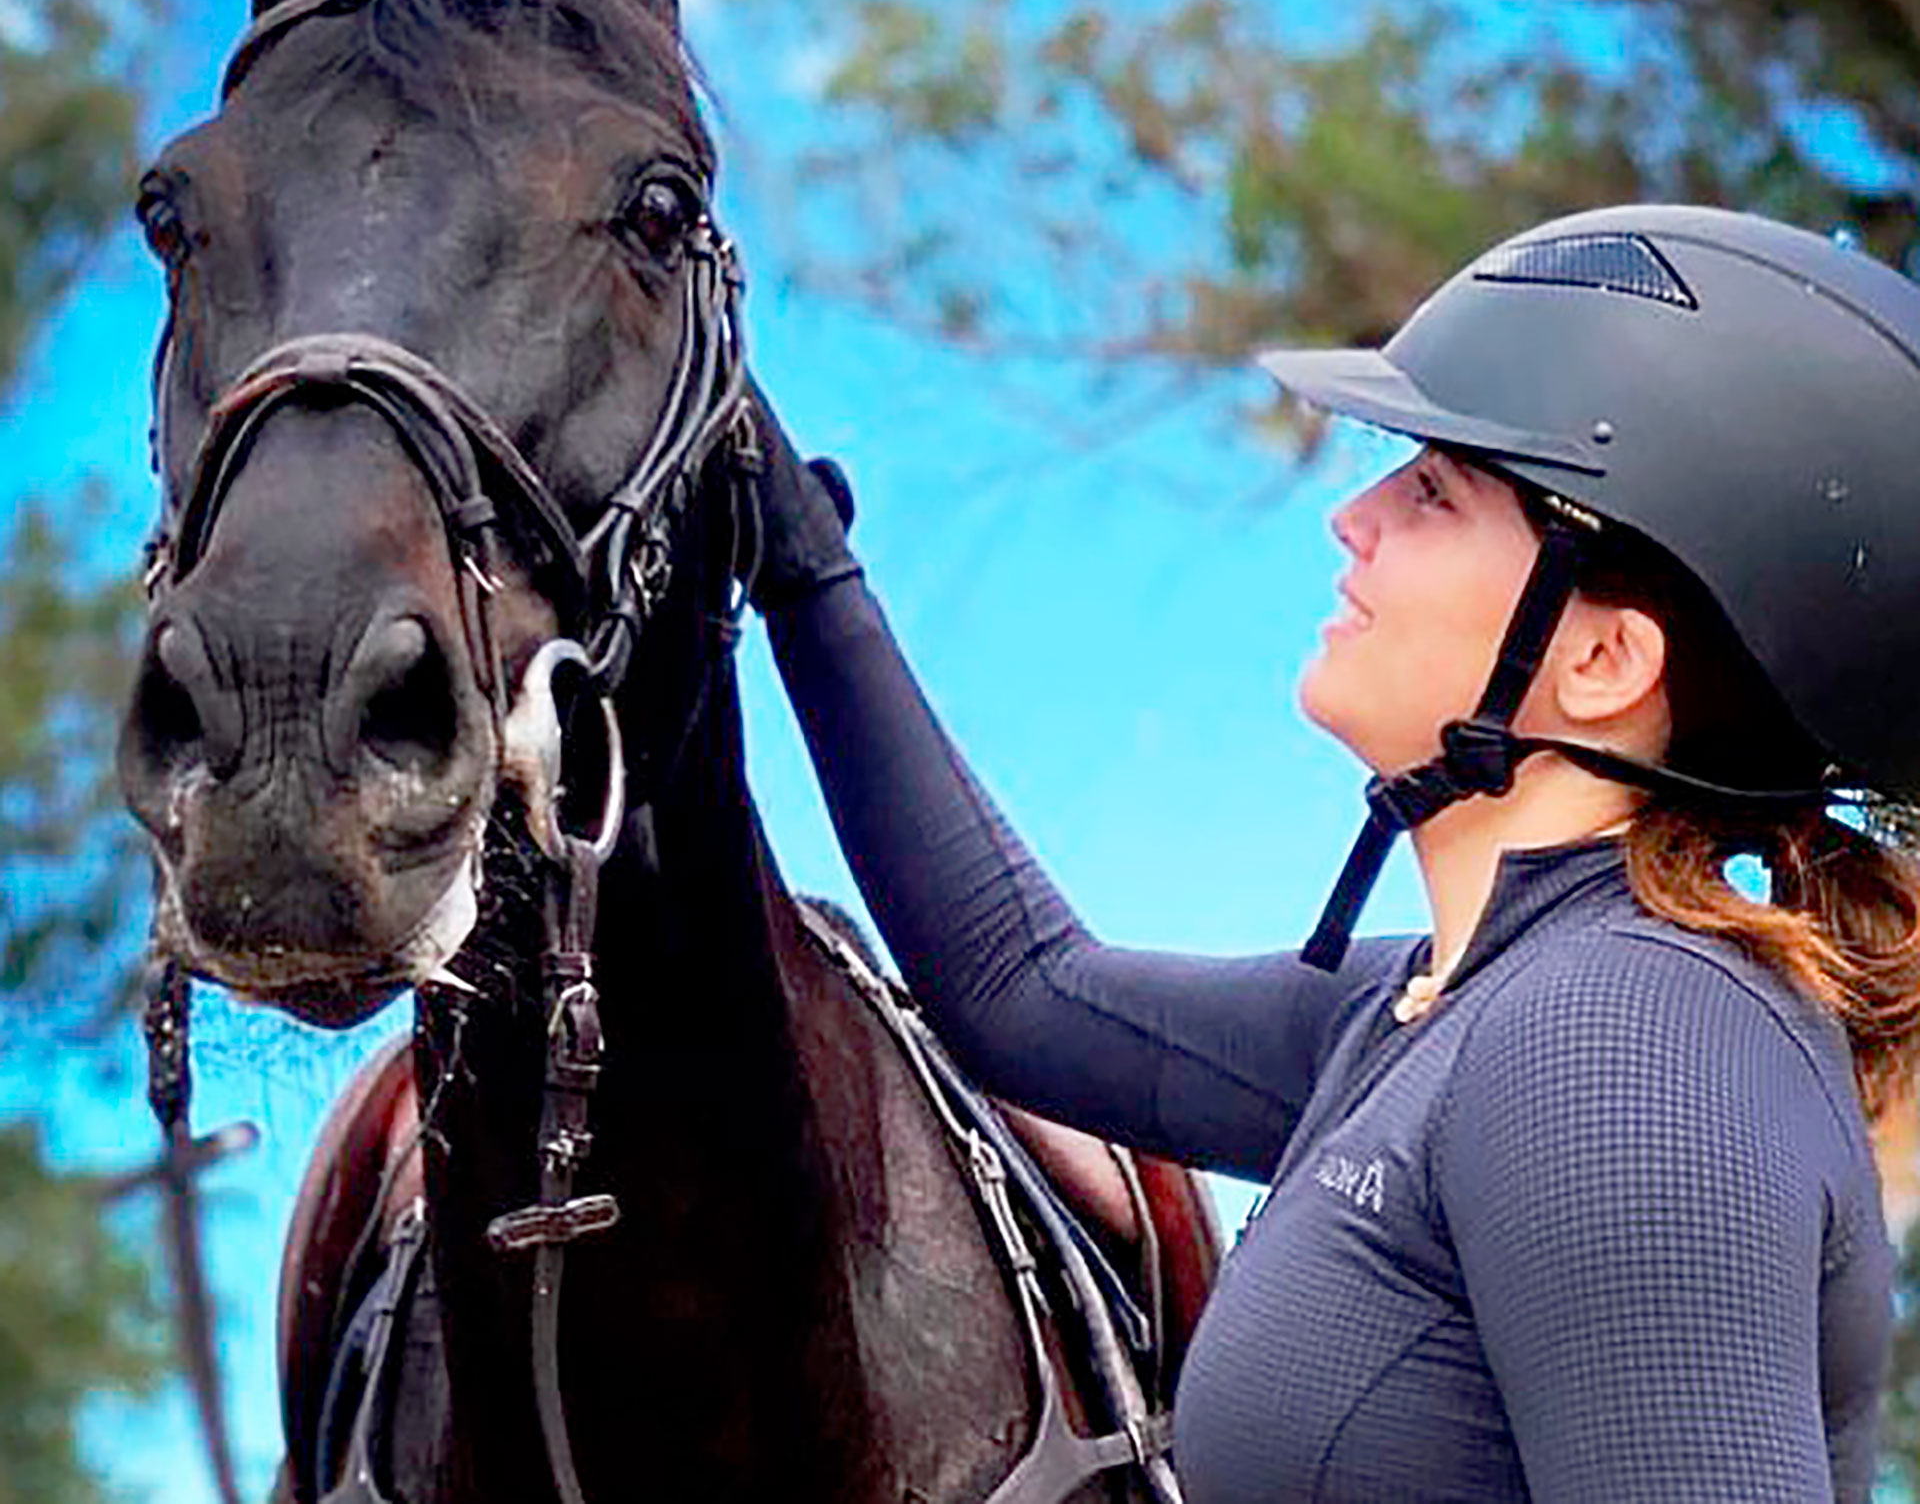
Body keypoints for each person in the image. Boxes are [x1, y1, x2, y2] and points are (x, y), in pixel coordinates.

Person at [749, 204, 1920, 1502]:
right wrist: (804, 573)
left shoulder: (1625, 1044)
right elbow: (1029, 992)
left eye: (1432, 491)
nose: (1351, 516)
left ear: (1601, 663)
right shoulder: (1441, 1008)